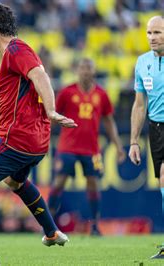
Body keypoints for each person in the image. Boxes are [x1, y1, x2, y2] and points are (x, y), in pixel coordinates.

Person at [0, 3, 77, 265]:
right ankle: (52, 232)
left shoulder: (16, 50)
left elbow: (41, 76)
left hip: (16, 140)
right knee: (15, 182)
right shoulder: (17, 51)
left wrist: (52, 110)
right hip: (36, 143)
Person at [47, 58, 126, 236]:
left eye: (88, 68)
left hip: (91, 148)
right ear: (77, 70)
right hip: (67, 146)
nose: (85, 71)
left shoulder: (102, 94)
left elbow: (109, 121)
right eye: (82, 67)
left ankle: (95, 225)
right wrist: (43, 139)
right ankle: (48, 224)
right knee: (59, 182)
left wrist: (118, 146)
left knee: (93, 184)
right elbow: (53, 117)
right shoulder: (67, 92)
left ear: (94, 71)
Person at [129, 15, 164, 259]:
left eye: (158, 32)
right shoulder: (142, 63)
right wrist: (133, 141)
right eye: (149, 33)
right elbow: (140, 105)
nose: (152, 37)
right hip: (156, 129)